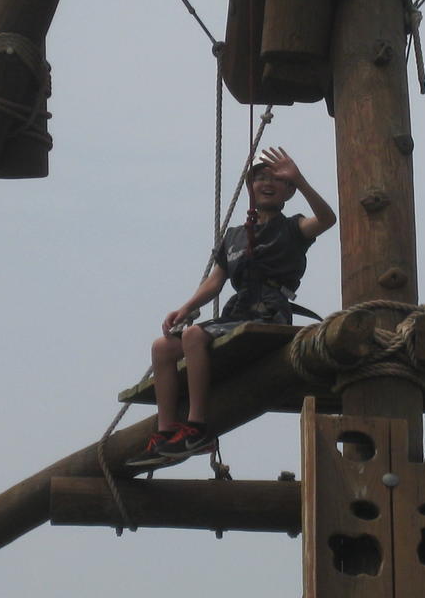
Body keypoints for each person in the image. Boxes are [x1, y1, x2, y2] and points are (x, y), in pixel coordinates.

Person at [126, 147, 336, 468]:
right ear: (250, 187)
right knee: (162, 348)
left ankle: (198, 428)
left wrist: (300, 179)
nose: (267, 183)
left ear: (289, 191)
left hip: (269, 311)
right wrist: (186, 307)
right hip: (238, 311)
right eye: (260, 178)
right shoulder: (235, 236)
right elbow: (215, 282)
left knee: (194, 336)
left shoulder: (293, 228)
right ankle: (167, 433)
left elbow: (327, 219)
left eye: (277, 179)